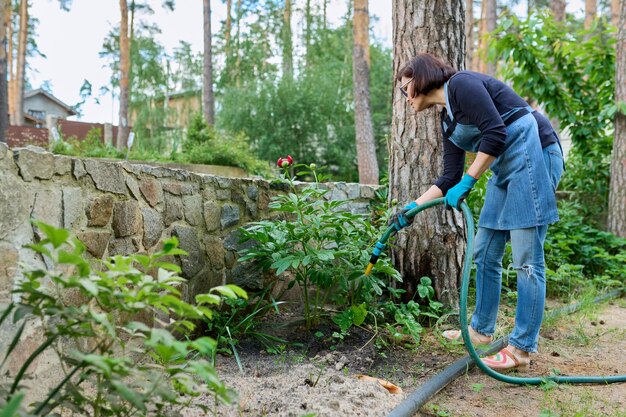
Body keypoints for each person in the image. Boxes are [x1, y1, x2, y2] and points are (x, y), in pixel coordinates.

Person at [392, 53, 564, 371]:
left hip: (535, 152)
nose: (406, 98)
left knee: (527, 259)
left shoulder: (462, 85)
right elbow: (447, 179)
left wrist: (469, 182)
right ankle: (480, 330)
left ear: (421, 78)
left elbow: (496, 132)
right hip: (505, 167)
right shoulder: (447, 120)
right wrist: (412, 207)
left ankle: (521, 349)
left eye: (405, 89)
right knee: (484, 251)